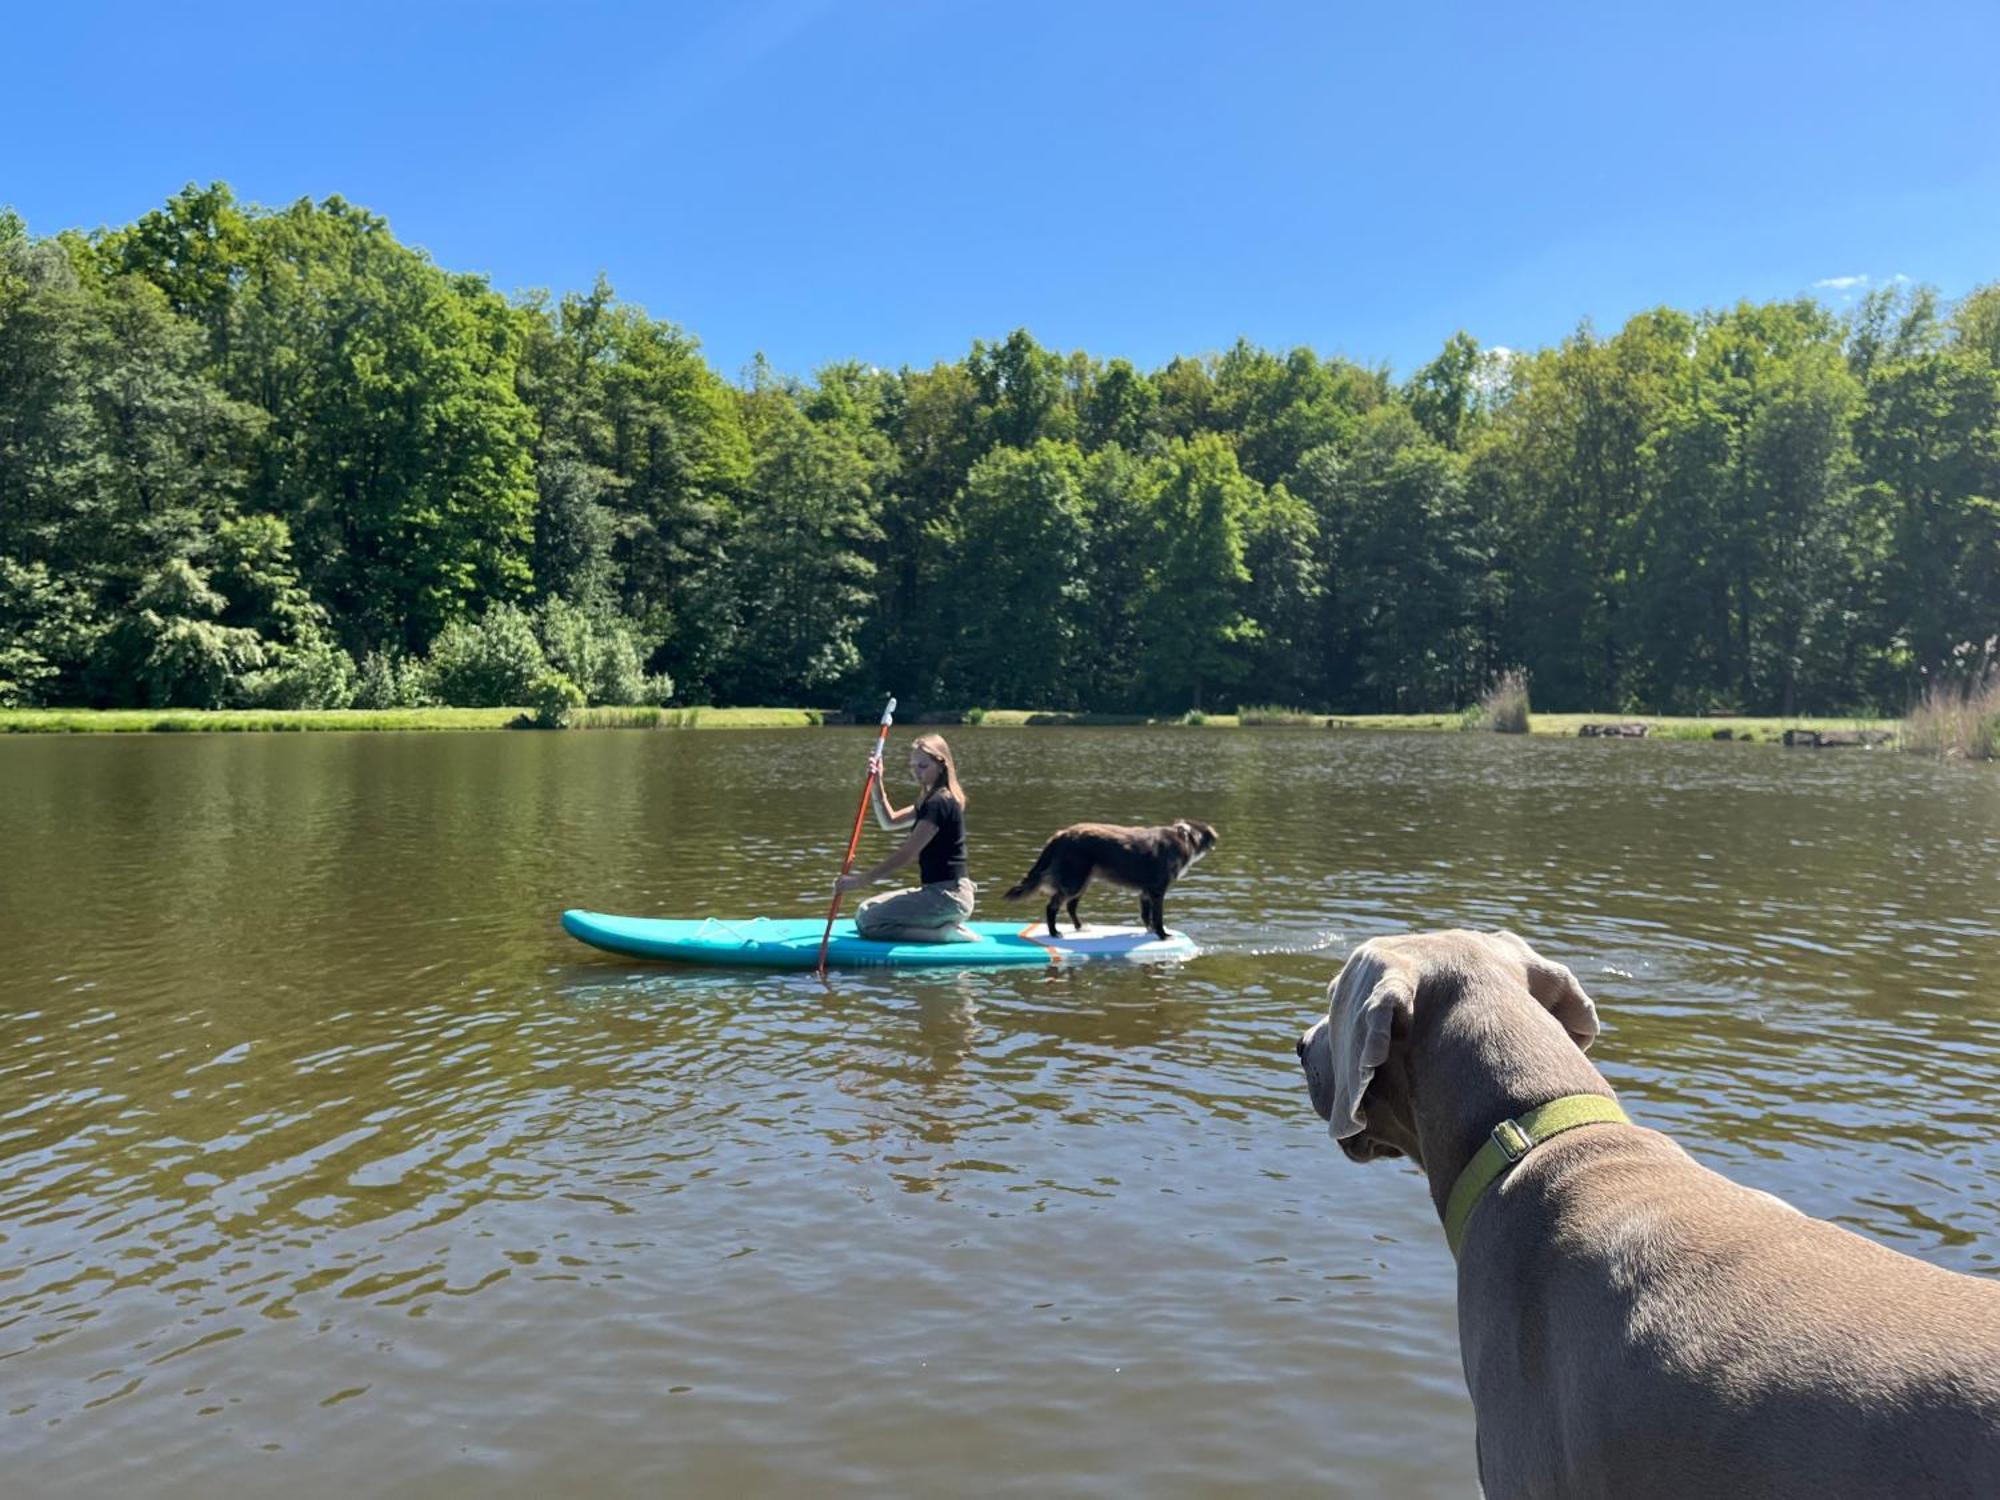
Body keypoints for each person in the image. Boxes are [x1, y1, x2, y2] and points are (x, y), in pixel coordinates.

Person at [833, 733, 976, 942]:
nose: (917, 772)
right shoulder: (928, 799)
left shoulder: (939, 802)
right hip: (938, 893)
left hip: (949, 898)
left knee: (868, 922)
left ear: (941, 765)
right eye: (914, 766)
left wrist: (859, 881)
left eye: (923, 766)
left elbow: (907, 854)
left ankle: (942, 934)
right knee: (866, 908)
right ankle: (942, 925)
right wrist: (877, 783)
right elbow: (889, 821)